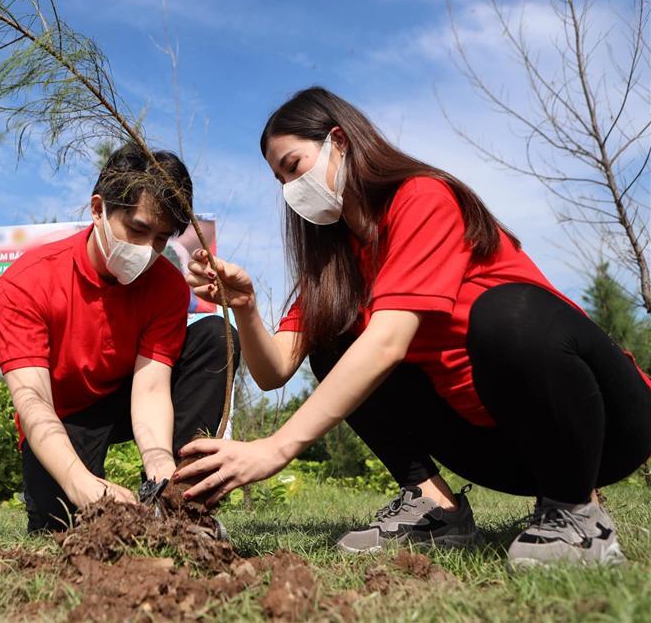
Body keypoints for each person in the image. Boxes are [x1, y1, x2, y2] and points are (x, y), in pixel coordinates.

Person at [173, 87, 651, 568]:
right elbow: (274, 370)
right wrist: (246, 306)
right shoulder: (334, 268)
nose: (289, 190)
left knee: (505, 313)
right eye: (279, 180)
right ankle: (434, 509)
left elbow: (387, 342)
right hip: (502, 446)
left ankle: (575, 510)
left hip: (602, 423)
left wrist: (274, 449)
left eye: (293, 167)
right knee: (333, 339)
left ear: (339, 141)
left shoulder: (422, 198)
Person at [0, 143, 239, 533]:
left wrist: (159, 461)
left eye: (161, 239)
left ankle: (183, 501)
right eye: (138, 230)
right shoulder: (28, 281)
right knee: (61, 523)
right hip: (63, 413)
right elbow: (31, 399)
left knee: (215, 335)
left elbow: (152, 386)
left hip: (127, 395)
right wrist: (79, 481)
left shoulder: (168, 287)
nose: (147, 251)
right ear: (98, 210)